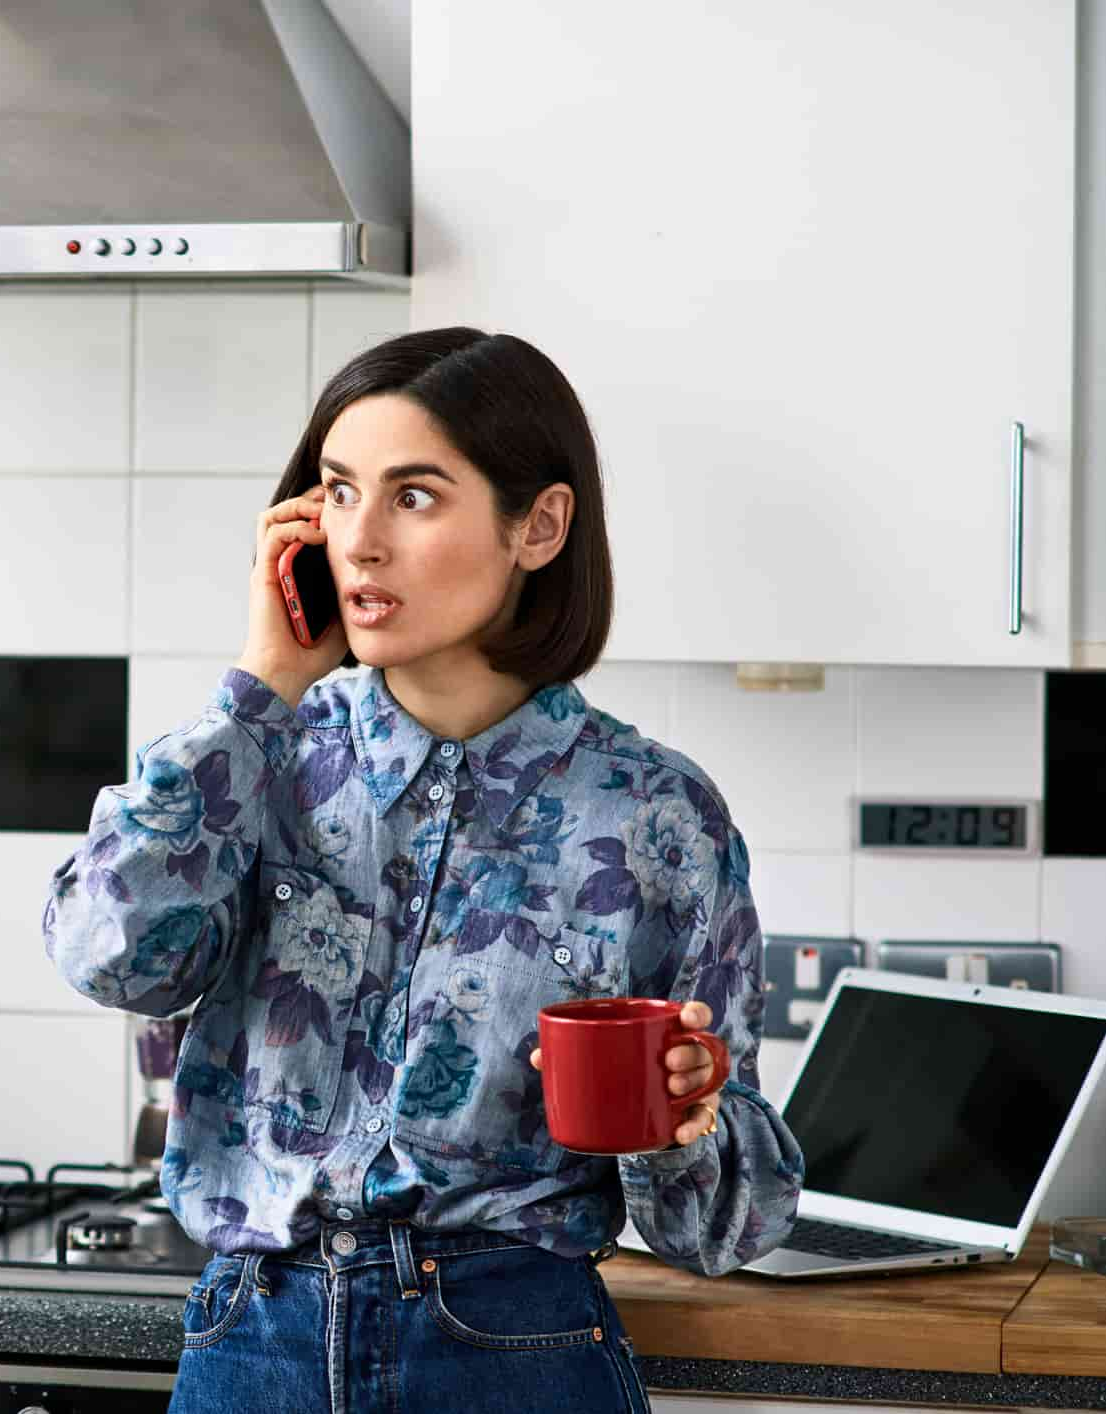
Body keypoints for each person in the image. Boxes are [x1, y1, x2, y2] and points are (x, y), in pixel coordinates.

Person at [43, 328, 803, 1413]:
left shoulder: (654, 814)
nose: (360, 540)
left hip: (516, 1354)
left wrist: (683, 1124)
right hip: (250, 1348)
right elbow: (103, 953)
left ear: (537, 526)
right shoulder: (262, 755)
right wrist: (260, 685)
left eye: (414, 497)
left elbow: (720, 1227)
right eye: (341, 491)